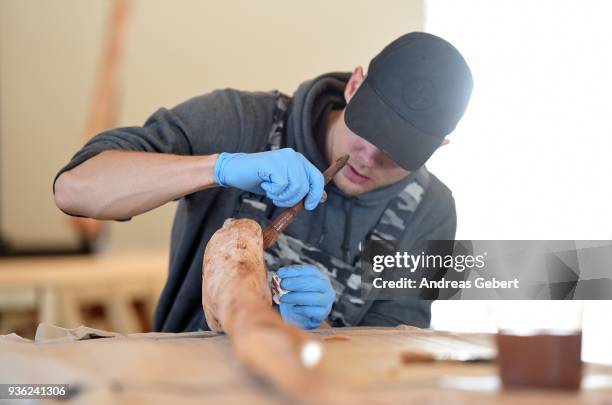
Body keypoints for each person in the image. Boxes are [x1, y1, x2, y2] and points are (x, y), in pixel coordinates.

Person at [53, 32, 473, 332]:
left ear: (440, 145)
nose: (369, 157)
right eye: (368, 129)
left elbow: (390, 364)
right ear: (354, 84)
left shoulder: (429, 212)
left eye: (397, 151)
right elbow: (74, 189)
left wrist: (318, 327)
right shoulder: (241, 122)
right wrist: (218, 168)